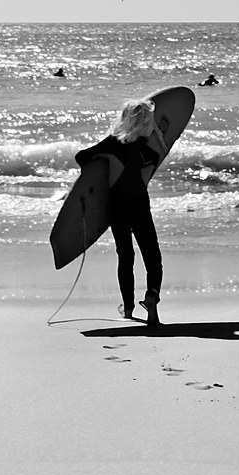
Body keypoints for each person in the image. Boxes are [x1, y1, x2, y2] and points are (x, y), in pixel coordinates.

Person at [74, 99, 166, 326]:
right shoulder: (147, 148)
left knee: (126, 256)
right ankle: (152, 298)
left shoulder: (113, 143)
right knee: (152, 255)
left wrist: (102, 166)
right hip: (140, 205)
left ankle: (127, 308)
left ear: (124, 118)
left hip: (117, 206)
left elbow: (81, 157)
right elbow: (153, 163)